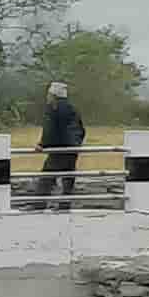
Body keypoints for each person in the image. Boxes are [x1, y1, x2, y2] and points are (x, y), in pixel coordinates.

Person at [37, 77, 87, 209]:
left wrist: (42, 144)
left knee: (47, 176)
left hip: (59, 149)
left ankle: (39, 204)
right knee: (68, 178)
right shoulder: (73, 109)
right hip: (73, 149)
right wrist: (76, 144)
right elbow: (81, 130)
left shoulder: (53, 107)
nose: (47, 97)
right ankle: (65, 205)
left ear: (53, 95)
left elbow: (50, 129)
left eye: (49, 94)